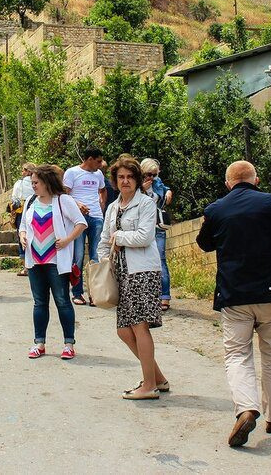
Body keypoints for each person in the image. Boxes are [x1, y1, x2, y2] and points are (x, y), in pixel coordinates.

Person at [196, 161, 271, 448]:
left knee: (236, 354)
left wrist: (209, 221)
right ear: (256, 180)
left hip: (236, 297)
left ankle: (246, 408)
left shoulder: (216, 209)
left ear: (228, 183)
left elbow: (204, 244)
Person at [98, 157, 168, 399]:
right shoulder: (113, 207)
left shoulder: (146, 204)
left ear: (137, 180)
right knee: (124, 331)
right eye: (121, 177)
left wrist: (118, 237)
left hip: (143, 272)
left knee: (140, 328)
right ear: (115, 181)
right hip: (121, 273)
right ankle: (158, 378)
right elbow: (104, 239)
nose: (125, 181)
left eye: (130, 177)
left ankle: (149, 386)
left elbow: (145, 237)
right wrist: (103, 260)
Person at [18, 164, 87, 360]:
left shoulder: (63, 201)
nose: (33, 186)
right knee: (39, 303)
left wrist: (67, 239)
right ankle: (39, 343)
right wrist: (23, 235)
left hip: (57, 261)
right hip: (35, 261)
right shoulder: (31, 201)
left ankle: (69, 343)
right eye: (32, 183)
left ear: (47, 182)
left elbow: (81, 223)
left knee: (62, 301)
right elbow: (23, 225)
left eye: (36, 182)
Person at [63, 147, 106, 305]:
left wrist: (101, 207)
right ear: (89, 159)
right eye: (98, 161)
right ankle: (77, 292)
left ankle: (95, 294)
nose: (101, 164)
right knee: (78, 256)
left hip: (96, 217)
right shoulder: (72, 173)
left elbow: (103, 191)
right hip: (78, 219)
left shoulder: (99, 174)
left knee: (96, 257)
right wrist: (77, 204)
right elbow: (64, 194)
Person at [140, 158, 174, 311]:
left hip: (157, 227)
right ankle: (146, 295)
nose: (151, 178)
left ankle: (164, 296)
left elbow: (161, 193)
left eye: (154, 175)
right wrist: (143, 189)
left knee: (160, 260)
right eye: (148, 174)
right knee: (142, 261)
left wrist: (168, 191)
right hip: (142, 228)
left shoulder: (157, 182)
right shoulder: (136, 184)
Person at [10, 163, 36, 276]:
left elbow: (14, 198)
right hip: (38, 210)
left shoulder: (19, 183)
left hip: (22, 211)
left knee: (23, 236)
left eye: (23, 170)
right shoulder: (40, 181)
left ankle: (26, 267)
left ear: (27, 171)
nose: (22, 173)